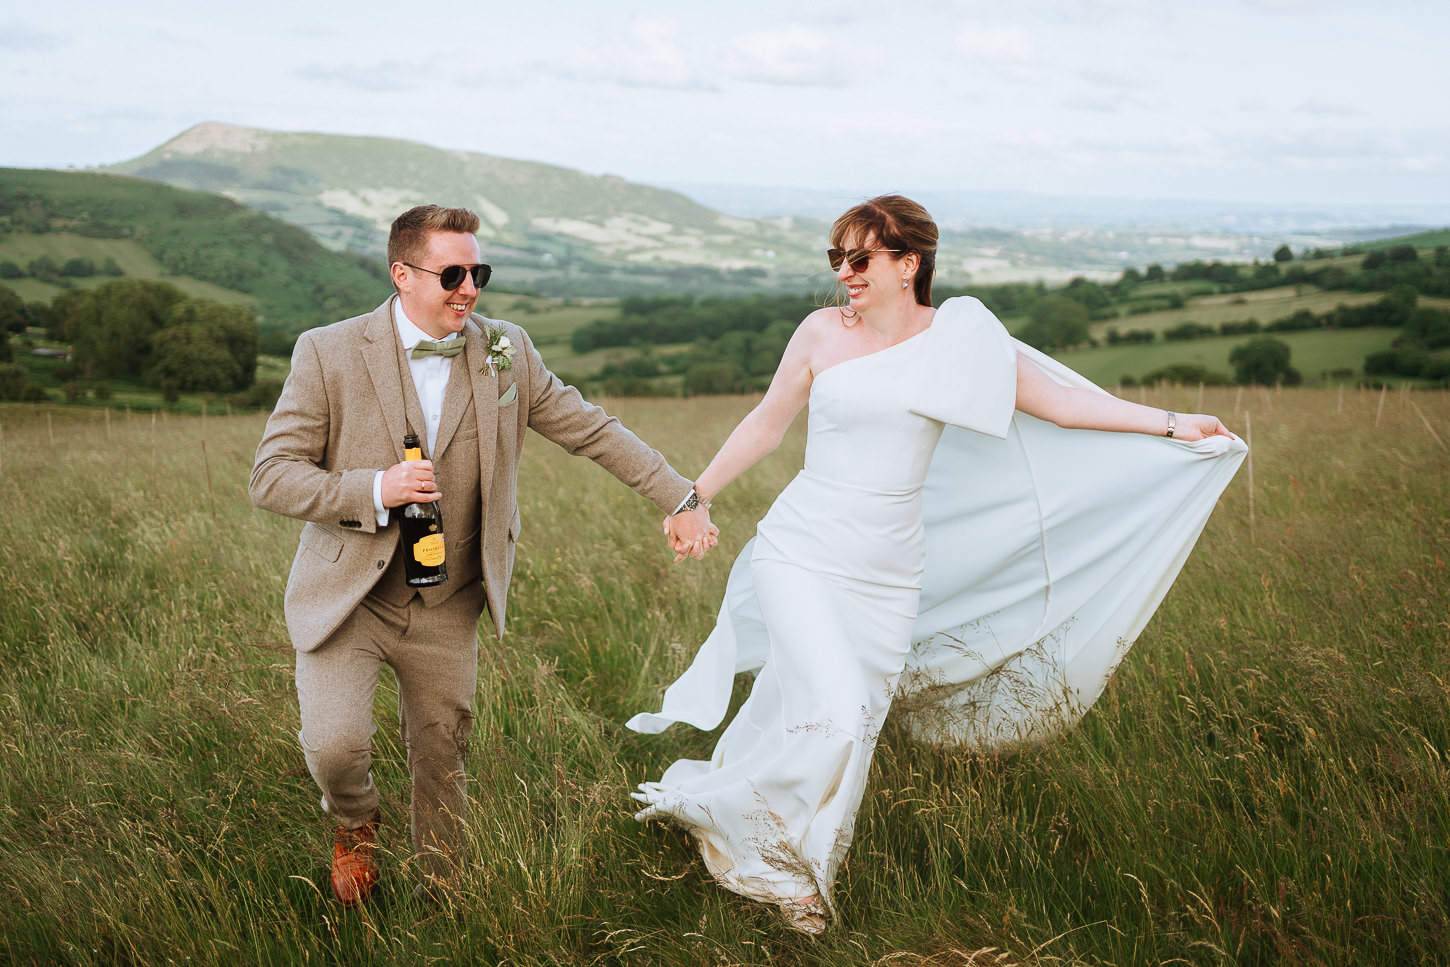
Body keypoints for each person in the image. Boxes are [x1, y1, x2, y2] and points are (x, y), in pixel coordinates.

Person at [631, 195, 1246, 934]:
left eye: (860, 258)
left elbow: (1061, 404)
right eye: (837, 258)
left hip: (889, 570)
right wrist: (693, 496)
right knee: (834, 708)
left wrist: (1174, 425)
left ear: (908, 263)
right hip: (802, 548)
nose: (844, 272)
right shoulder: (820, 333)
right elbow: (767, 423)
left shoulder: (959, 340)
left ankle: (787, 839)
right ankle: (784, 871)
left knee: (849, 720)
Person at [249, 205, 716, 906]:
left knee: (442, 755)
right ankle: (353, 822)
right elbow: (271, 475)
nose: (469, 289)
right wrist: (374, 488)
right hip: (350, 595)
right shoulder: (327, 351)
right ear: (402, 274)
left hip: (449, 597)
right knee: (335, 747)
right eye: (452, 274)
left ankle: (443, 899)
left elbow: (590, 429)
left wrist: (680, 497)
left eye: (479, 273)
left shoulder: (506, 349)